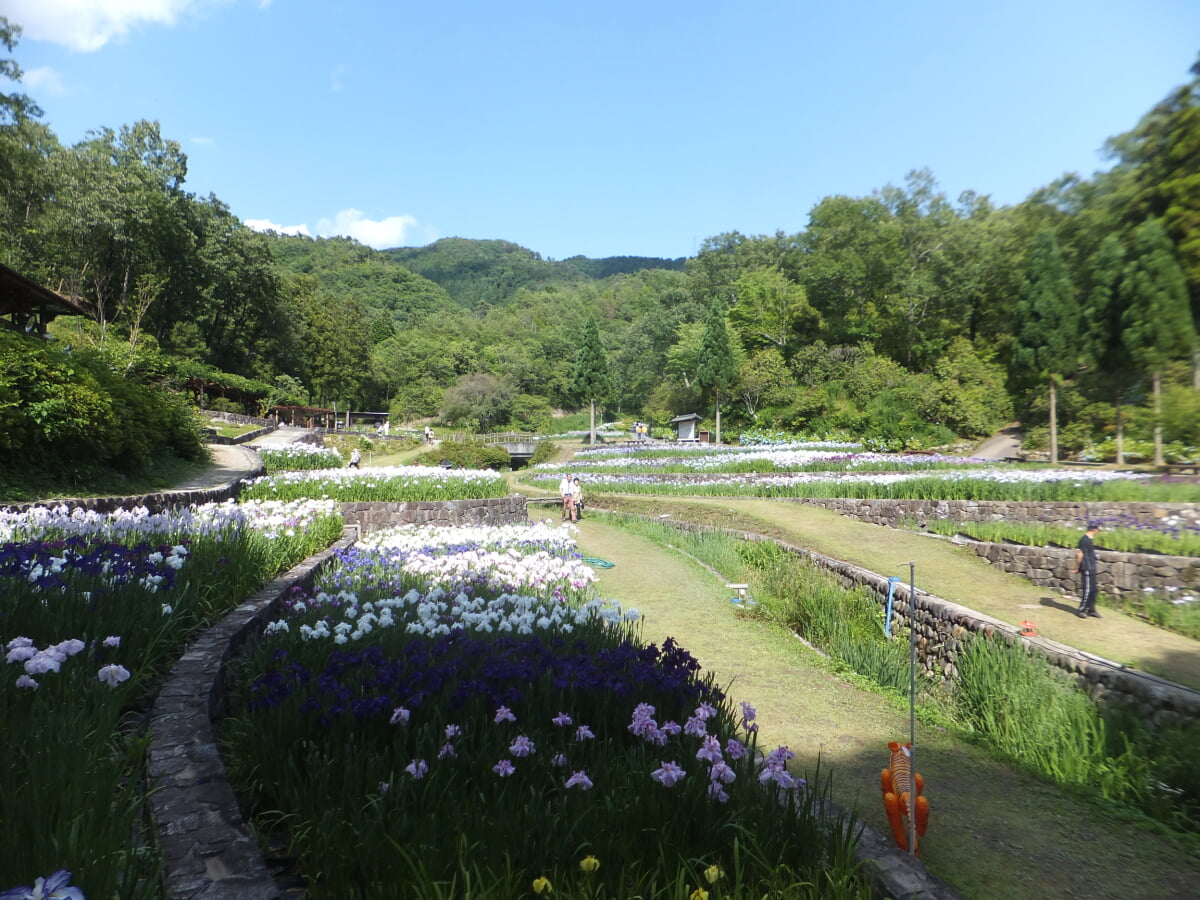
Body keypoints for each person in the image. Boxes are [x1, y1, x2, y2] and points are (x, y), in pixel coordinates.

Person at [1073, 522, 1101, 618]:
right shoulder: (1084, 540)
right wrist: (1077, 567)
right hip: (1087, 568)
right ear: (1094, 530)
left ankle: (1091, 610)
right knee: (1088, 590)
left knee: (1094, 590)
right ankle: (1082, 609)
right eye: (1097, 529)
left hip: (1092, 567)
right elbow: (1079, 554)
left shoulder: (1089, 540)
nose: (1098, 531)